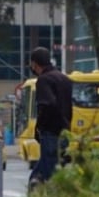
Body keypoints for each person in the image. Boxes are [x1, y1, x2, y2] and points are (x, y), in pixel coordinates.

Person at [27, 47, 72, 189]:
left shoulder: (43, 80)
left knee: (47, 170)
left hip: (50, 132)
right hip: (64, 131)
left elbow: (48, 104)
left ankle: (40, 193)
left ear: (34, 64)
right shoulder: (64, 78)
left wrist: (39, 126)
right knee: (54, 167)